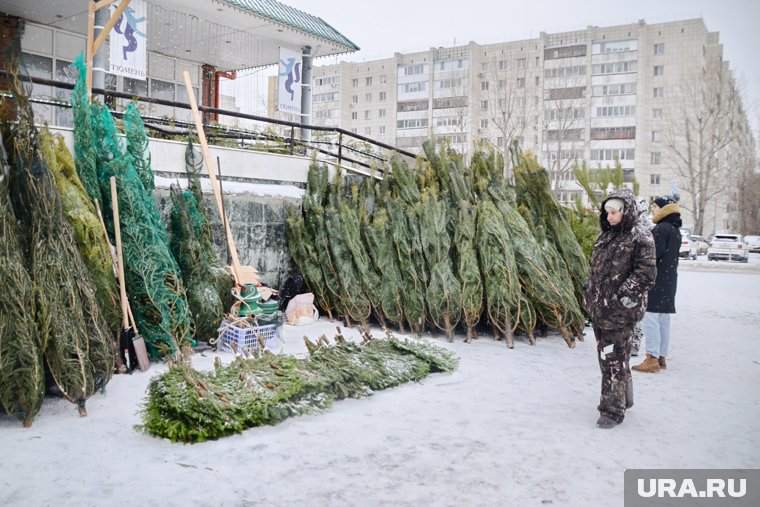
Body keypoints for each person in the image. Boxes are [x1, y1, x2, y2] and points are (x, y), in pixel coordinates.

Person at [584, 188, 656, 429]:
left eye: (614, 213)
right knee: (611, 358)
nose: (610, 217)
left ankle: (612, 411)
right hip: (600, 310)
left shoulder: (640, 237)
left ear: (626, 211)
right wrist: (590, 292)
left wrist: (622, 297)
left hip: (619, 313)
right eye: (607, 213)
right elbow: (597, 270)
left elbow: (646, 273)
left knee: (613, 361)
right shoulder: (606, 236)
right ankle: (625, 398)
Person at [632, 195, 682, 373]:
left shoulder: (660, 229)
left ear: (664, 209)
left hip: (656, 280)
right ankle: (661, 357)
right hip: (669, 280)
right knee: (663, 319)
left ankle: (651, 358)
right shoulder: (675, 229)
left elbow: (652, 256)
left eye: (655, 207)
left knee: (651, 318)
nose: (653, 210)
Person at [631, 197, 653, 357]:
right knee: (637, 313)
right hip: (639, 281)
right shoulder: (649, 230)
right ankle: (634, 344)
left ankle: (633, 344)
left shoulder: (637, 232)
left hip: (635, 278)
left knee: (633, 313)